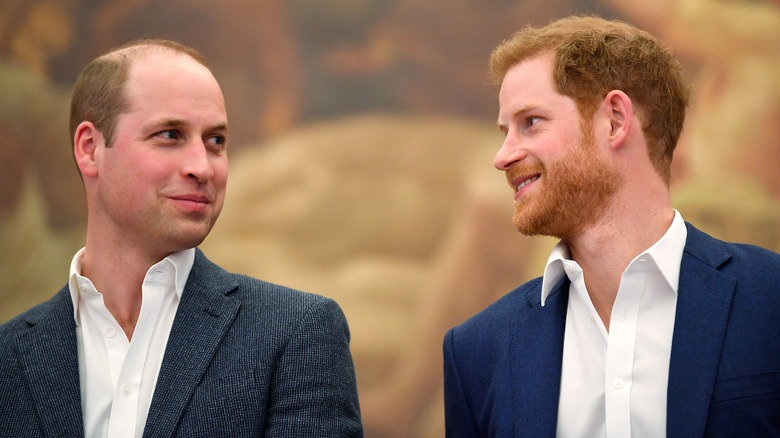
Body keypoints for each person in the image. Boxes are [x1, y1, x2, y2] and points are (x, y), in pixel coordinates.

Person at [0, 39, 363, 437]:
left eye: (216, 142)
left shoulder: (297, 335)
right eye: (170, 135)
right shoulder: (9, 356)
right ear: (90, 149)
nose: (202, 167)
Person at [442, 15, 780, 437]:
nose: (503, 155)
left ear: (616, 120)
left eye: (530, 122)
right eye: (504, 130)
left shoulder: (770, 297)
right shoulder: (478, 349)